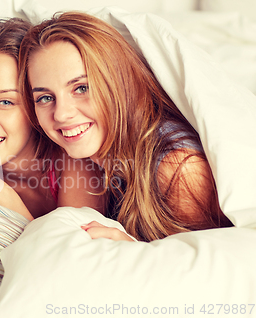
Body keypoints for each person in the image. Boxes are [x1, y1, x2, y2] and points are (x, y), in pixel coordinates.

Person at [19, 12, 233, 241]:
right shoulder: (83, 152)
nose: (61, 114)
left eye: (81, 88)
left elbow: (227, 265)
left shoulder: (179, 171)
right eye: (44, 98)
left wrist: (132, 250)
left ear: (119, 83)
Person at [0, 18, 103, 221]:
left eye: (6, 102)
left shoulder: (73, 161)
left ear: (36, 105)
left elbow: (70, 249)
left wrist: (2, 196)